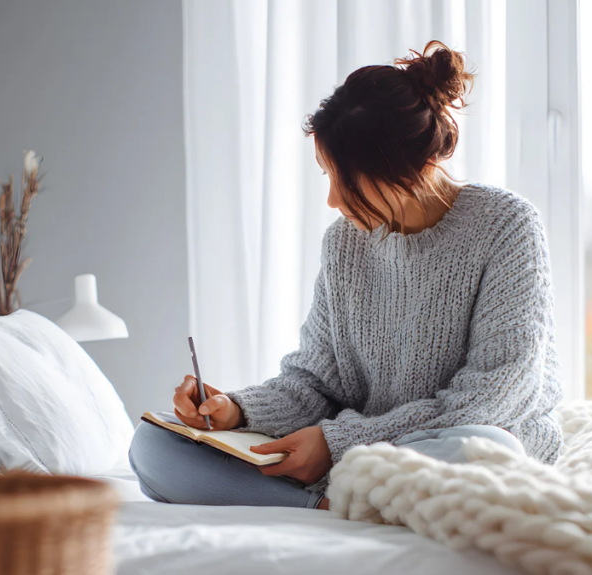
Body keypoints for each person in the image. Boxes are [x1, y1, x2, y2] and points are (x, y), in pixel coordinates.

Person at [129, 41, 563, 511]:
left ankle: (332, 497)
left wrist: (338, 445)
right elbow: (314, 384)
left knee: (485, 447)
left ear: (407, 167)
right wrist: (235, 410)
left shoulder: (507, 225)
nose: (334, 200)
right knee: (152, 447)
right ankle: (334, 504)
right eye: (326, 177)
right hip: (365, 456)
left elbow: (491, 398)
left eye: (347, 180)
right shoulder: (343, 244)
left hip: (464, 439)